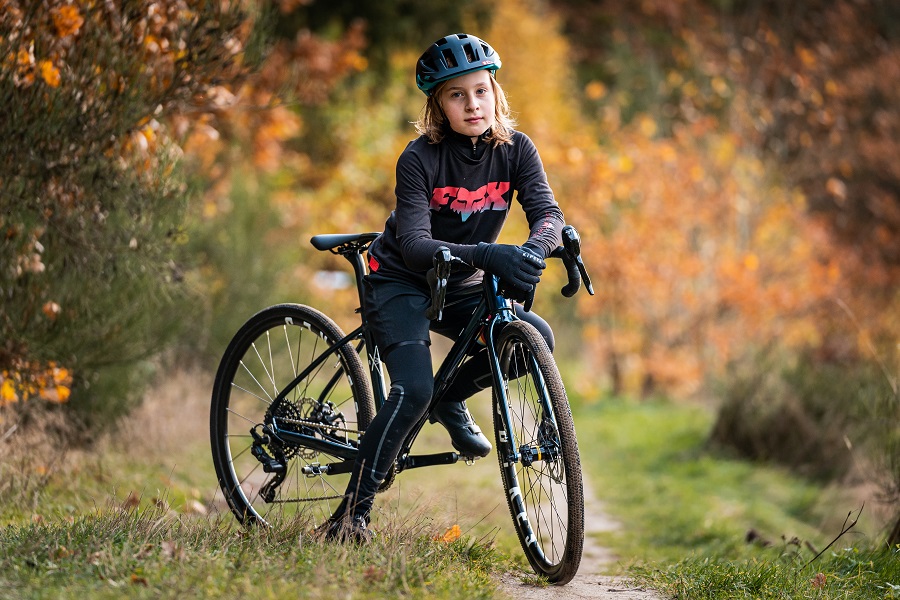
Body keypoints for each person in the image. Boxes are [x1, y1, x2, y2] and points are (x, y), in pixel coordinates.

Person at [319, 32, 565, 543]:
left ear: (496, 92)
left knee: (534, 337)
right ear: (438, 104)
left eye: (481, 90)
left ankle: (447, 400)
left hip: (461, 284)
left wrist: (532, 252)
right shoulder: (419, 158)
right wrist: (490, 255)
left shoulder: (517, 151)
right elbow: (412, 244)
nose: (473, 104)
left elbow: (548, 215)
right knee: (411, 388)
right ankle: (351, 517)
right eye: (457, 95)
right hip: (401, 280)